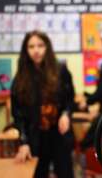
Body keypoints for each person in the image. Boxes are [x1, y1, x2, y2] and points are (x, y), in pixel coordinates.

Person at [11, 30, 76, 178]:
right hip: (35, 137)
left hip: (59, 133)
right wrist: (23, 142)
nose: (36, 50)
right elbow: (18, 115)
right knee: (37, 173)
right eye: (31, 46)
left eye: (40, 45)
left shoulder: (61, 71)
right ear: (26, 50)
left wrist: (66, 114)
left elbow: (70, 100)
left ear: (47, 47)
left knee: (65, 173)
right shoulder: (21, 77)